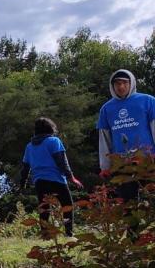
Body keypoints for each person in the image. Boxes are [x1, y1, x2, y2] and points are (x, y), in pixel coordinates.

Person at [97, 69, 155, 201]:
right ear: (112, 86)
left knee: (151, 200)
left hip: (148, 160)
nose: (121, 87)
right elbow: (104, 139)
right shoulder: (106, 109)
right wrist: (105, 166)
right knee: (128, 203)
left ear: (131, 83)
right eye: (117, 83)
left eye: (124, 83)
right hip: (122, 164)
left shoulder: (148, 101)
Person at [19, 117, 83, 237]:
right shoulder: (54, 141)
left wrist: (23, 183)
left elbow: (25, 167)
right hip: (56, 179)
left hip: (39, 181)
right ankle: (69, 233)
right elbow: (62, 162)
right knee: (67, 205)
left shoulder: (29, 146)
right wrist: (71, 178)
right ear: (50, 128)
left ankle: (45, 234)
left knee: (44, 208)